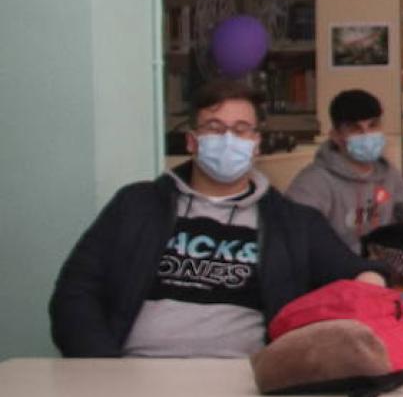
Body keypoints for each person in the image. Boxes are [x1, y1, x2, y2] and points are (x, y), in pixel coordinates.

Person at [49, 80, 383, 357]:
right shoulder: (136, 205)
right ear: (192, 142)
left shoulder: (293, 222)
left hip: (244, 380)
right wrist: (103, 367)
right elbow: (75, 292)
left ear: (256, 145)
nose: (228, 140)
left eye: (241, 130)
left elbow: (357, 273)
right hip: (135, 373)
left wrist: (369, 281)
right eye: (214, 128)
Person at [286, 89, 403, 254]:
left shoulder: (387, 173)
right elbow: (299, 241)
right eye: (355, 129)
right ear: (336, 136)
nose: (367, 135)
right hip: (337, 266)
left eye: (373, 125)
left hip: (384, 263)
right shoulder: (311, 184)